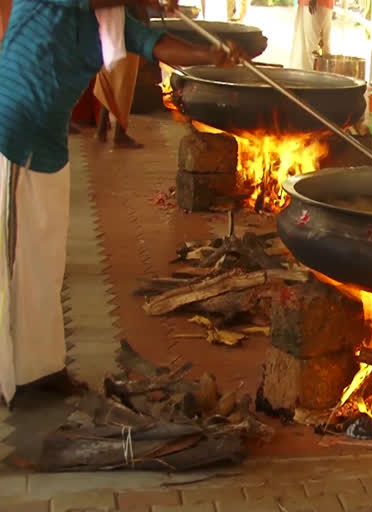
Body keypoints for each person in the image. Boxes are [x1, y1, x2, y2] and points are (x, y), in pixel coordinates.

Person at [0, 0, 247, 408]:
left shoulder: (110, 19)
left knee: (43, 264)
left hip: (47, 147)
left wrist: (211, 54)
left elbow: (154, 42)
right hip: (11, 136)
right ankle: (11, 377)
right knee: (11, 262)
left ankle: (39, 370)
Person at [95, 3, 150, 148]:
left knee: (110, 79)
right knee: (123, 83)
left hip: (108, 29)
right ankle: (120, 134)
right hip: (124, 31)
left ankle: (101, 129)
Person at [289, 0, 334, 70]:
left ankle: (311, 76)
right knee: (321, 45)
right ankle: (324, 75)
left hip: (314, 4)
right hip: (319, 4)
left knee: (310, 47)